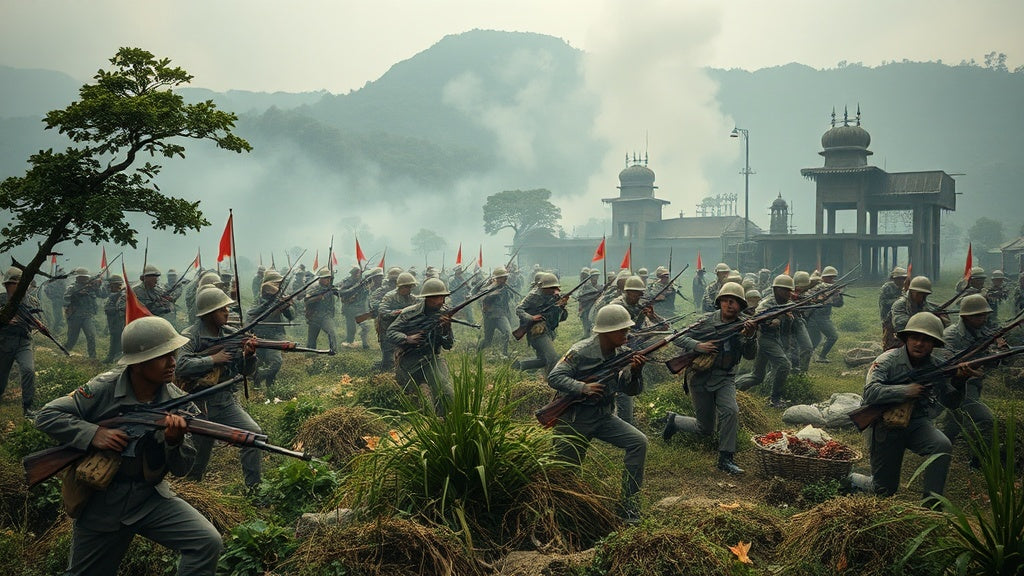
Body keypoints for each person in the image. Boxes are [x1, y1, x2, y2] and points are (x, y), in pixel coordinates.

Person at [34, 315, 222, 575]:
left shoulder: (179, 402)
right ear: (138, 364)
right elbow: (47, 415)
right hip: (102, 502)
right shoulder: (103, 388)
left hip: (150, 498)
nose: (173, 363)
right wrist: (93, 433)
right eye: (163, 356)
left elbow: (182, 470)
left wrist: (173, 441)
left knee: (206, 542)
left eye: (174, 354)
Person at [547, 304, 648, 521]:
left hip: (604, 416)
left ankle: (629, 505)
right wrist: (583, 387)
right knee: (563, 473)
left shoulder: (623, 354)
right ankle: (558, 516)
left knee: (638, 442)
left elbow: (630, 389)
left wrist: (636, 372)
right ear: (606, 332)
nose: (626, 334)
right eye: (621, 330)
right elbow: (554, 377)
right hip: (575, 419)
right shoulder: (580, 351)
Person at [861, 312, 968, 503]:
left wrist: (960, 381)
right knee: (884, 490)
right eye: (915, 337)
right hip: (886, 426)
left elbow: (951, 403)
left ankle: (932, 505)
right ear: (906, 338)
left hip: (917, 423)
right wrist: (905, 390)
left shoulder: (937, 367)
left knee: (941, 445)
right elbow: (870, 393)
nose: (919, 343)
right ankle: (850, 480)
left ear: (934, 344)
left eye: (926, 340)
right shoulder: (886, 361)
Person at [662, 282, 756, 474]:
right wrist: (698, 345)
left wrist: (751, 337)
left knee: (731, 411)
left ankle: (726, 458)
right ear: (719, 302)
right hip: (700, 377)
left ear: (741, 306)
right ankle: (674, 421)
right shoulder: (705, 321)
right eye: (725, 301)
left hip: (725, 377)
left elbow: (750, 355)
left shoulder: (745, 325)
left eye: (734, 302)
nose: (729, 305)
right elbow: (676, 336)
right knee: (705, 428)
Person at [175, 286, 262, 489]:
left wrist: (249, 356)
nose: (227, 312)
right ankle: (191, 493)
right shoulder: (191, 336)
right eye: (221, 309)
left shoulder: (233, 335)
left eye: (227, 309)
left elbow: (245, 371)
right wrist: (212, 359)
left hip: (225, 402)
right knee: (198, 457)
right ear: (208, 313)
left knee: (253, 436)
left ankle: (255, 490)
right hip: (198, 406)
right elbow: (181, 366)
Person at [940, 294, 997, 467]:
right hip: (954, 388)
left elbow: (993, 362)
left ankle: (939, 451)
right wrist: (967, 369)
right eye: (978, 315)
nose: (984, 318)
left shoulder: (984, 332)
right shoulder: (950, 335)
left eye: (985, 314)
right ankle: (978, 464)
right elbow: (945, 363)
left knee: (954, 421)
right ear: (965, 316)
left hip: (972, 386)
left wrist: (998, 352)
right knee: (985, 419)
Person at [386, 278, 455, 416]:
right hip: (410, 361)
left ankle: (447, 419)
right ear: (427, 298)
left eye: (441, 297)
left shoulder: (443, 314)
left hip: (432, 358)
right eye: (435, 298)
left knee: (447, 392)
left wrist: (446, 329)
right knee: (425, 395)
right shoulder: (409, 313)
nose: (439, 301)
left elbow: (448, 345)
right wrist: (407, 338)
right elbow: (390, 332)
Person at [736, 274, 794, 408]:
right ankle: (775, 399)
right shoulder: (767, 302)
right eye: (786, 290)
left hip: (775, 339)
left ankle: (734, 388)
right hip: (765, 339)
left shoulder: (787, 303)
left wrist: (788, 317)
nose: (789, 293)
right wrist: (772, 321)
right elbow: (757, 318)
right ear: (777, 290)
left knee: (757, 376)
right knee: (784, 365)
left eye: (790, 290)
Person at [1, 267, 39, 415]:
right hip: (3, 344)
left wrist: (28, 322)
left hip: (23, 342)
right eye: (10, 284)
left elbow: (39, 322)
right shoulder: (0, 299)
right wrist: (5, 319)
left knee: (28, 370)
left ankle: (27, 407)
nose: (12, 287)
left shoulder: (32, 301)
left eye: (15, 283)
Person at [247, 271, 293, 395]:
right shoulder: (259, 299)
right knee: (260, 360)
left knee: (275, 361)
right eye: (276, 284)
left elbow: (292, 316)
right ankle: (266, 387)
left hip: (275, 335)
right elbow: (250, 315)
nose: (278, 287)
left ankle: (260, 377)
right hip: (260, 334)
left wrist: (286, 306)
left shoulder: (280, 298)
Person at [516, 273, 569, 378]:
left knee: (543, 360)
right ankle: (553, 380)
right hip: (537, 331)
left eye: (555, 288)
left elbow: (562, 318)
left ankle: (519, 365)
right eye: (551, 288)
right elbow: (519, 309)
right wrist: (532, 317)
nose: (554, 290)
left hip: (549, 330)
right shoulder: (533, 295)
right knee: (553, 358)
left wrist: (561, 307)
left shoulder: (555, 297)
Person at [378, 272, 420, 372]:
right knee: (388, 355)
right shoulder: (390, 296)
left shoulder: (412, 298)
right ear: (401, 287)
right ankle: (386, 374)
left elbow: (420, 303)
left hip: (403, 329)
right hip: (387, 329)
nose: (409, 290)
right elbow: (382, 311)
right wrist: (396, 312)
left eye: (411, 287)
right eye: (407, 287)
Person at [63, 267, 106, 358]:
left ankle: (92, 357)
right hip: (74, 316)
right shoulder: (72, 288)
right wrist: (77, 295)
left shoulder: (91, 287)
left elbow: (102, 295)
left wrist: (98, 287)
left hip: (87, 316)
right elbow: (65, 300)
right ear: (77, 278)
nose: (85, 279)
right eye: (82, 277)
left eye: (85, 277)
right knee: (72, 339)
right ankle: (64, 353)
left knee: (91, 336)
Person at [807, 266, 844, 363]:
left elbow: (838, 304)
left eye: (833, 278)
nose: (832, 280)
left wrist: (838, 295)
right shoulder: (819, 286)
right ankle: (821, 356)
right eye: (830, 277)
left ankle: (810, 356)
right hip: (817, 316)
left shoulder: (829, 288)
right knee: (832, 336)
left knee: (815, 340)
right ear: (825, 277)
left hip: (822, 316)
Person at [476, 267, 514, 357]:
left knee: (507, 333)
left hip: (501, 315)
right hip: (490, 316)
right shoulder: (489, 287)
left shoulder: (504, 286)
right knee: (487, 341)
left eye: (506, 277)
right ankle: (477, 354)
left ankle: (504, 353)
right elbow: (481, 298)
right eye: (503, 277)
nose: (505, 279)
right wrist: (491, 294)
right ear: (498, 278)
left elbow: (507, 301)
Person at [304, 267, 339, 352]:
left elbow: (340, 292)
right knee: (311, 340)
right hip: (314, 316)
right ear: (321, 278)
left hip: (326, 315)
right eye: (326, 278)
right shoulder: (314, 287)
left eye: (329, 278)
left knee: (332, 332)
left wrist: (334, 291)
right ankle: (310, 354)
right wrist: (320, 297)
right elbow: (307, 301)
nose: (328, 280)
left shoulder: (330, 287)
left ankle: (333, 350)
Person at [338, 266, 372, 349]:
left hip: (361, 308)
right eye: (355, 272)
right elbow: (341, 292)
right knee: (351, 328)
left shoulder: (363, 281)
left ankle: (365, 343)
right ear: (352, 273)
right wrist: (354, 288)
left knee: (365, 326)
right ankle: (349, 342)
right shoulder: (347, 281)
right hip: (350, 308)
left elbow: (366, 295)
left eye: (358, 272)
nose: (357, 274)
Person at [879, 267, 908, 349]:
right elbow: (884, 302)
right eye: (898, 278)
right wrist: (899, 300)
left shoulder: (905, 287)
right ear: (894, 279)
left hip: (901, 316)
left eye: (903, 278)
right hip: (888, 316)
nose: (901, 281)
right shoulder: (887, 287)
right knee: (888, 338)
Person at [102, 275, 127, 363]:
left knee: (121, 343)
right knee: (113, 341)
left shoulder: (123, 296)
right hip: (114, 324)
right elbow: (107, 309)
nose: (110, 287)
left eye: (113, 285)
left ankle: (118, 360)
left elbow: (123, 308)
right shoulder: (113, 296)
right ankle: (110, 357)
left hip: (121, 324)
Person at [576, 269, 601, 338]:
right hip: (586, 309)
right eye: (593, 276)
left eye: (597, 276)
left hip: (595, 309)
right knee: (586, 326)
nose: (595, 278)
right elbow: (580, 297)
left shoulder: (600, 287)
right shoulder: (585, 287)